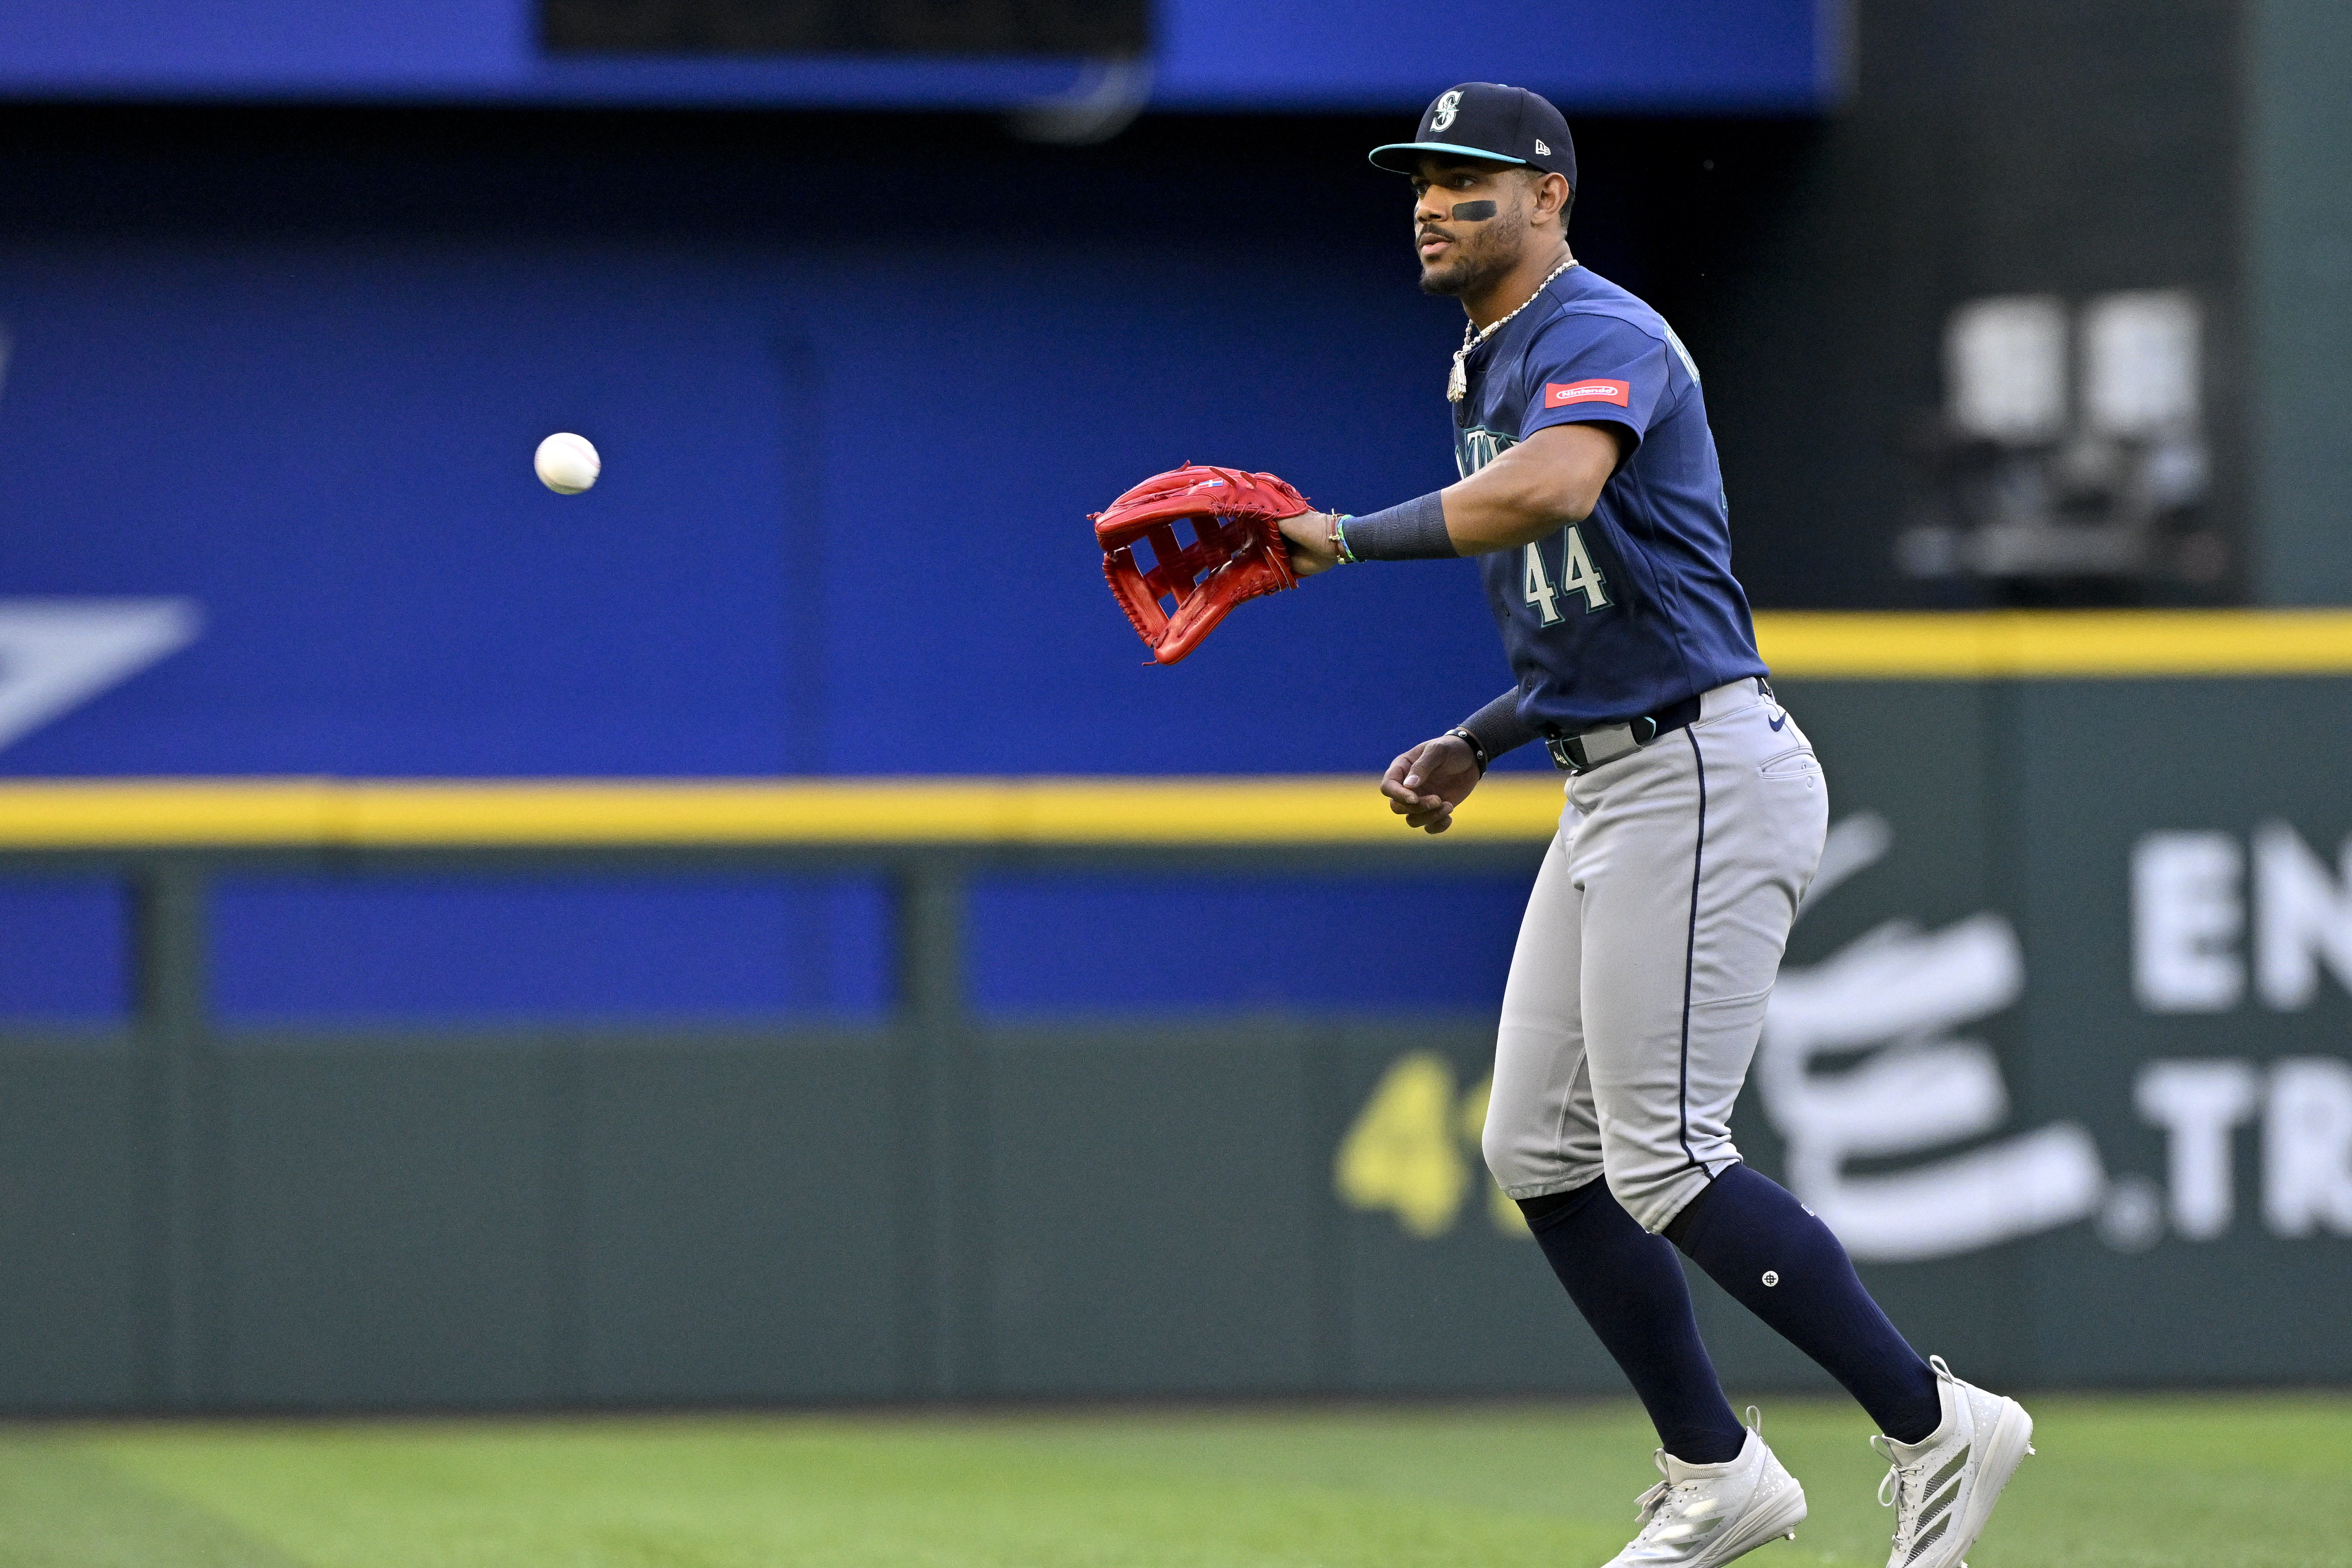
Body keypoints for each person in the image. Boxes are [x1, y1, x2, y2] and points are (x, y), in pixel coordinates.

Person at [1272, 83, 2035, 1568]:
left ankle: (1934, 1424)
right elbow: (1596, 611)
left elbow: (1554, 488)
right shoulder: (1488, 358)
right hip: (1612, 766)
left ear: (1550, 193)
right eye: (1419, 181)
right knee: (1536, 1154)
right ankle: (1718, 1474)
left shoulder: (1593, 330)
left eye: (1469, 179)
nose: (1432, 202)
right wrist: (1476, 737)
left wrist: (1347, 539)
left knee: (1665, 1157)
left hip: (1697, 769)